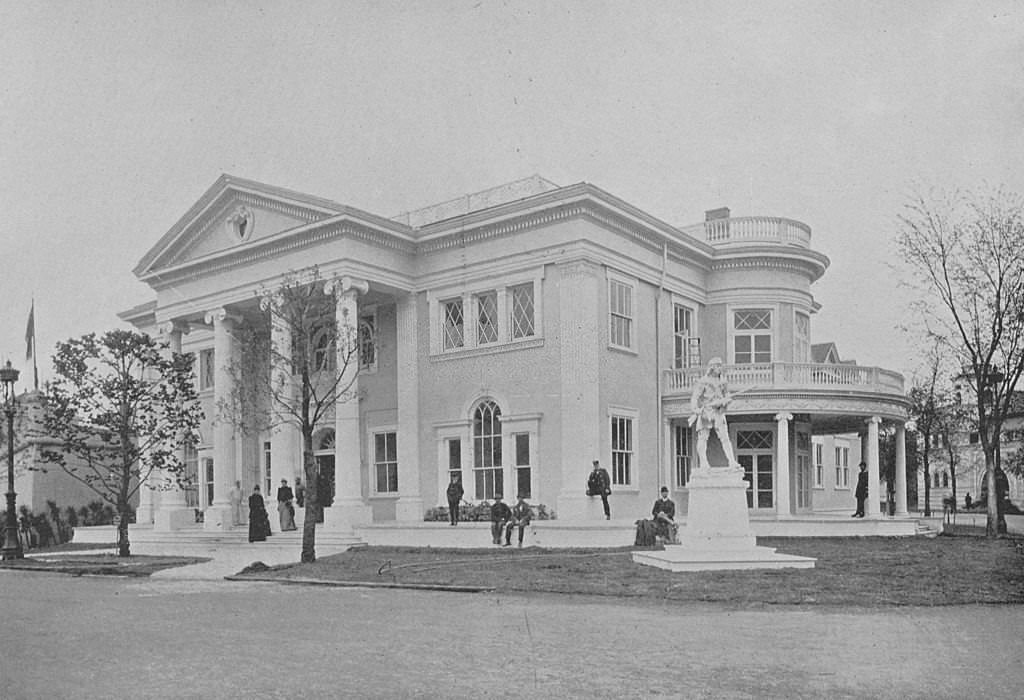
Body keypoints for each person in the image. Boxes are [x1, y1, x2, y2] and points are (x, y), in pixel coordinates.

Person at [689, 357, 739, 470]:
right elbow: (695, 397)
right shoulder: (704, 381)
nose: (720, 368)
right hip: (706, 411)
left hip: (718, 412)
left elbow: (727, 395)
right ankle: (703, 462)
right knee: (703, 437)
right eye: (718, 366)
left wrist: (726, 401)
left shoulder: (723, 381)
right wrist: (696, 410)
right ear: (712, 367)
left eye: (721, 366)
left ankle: (732, 461)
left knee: (725, 437)